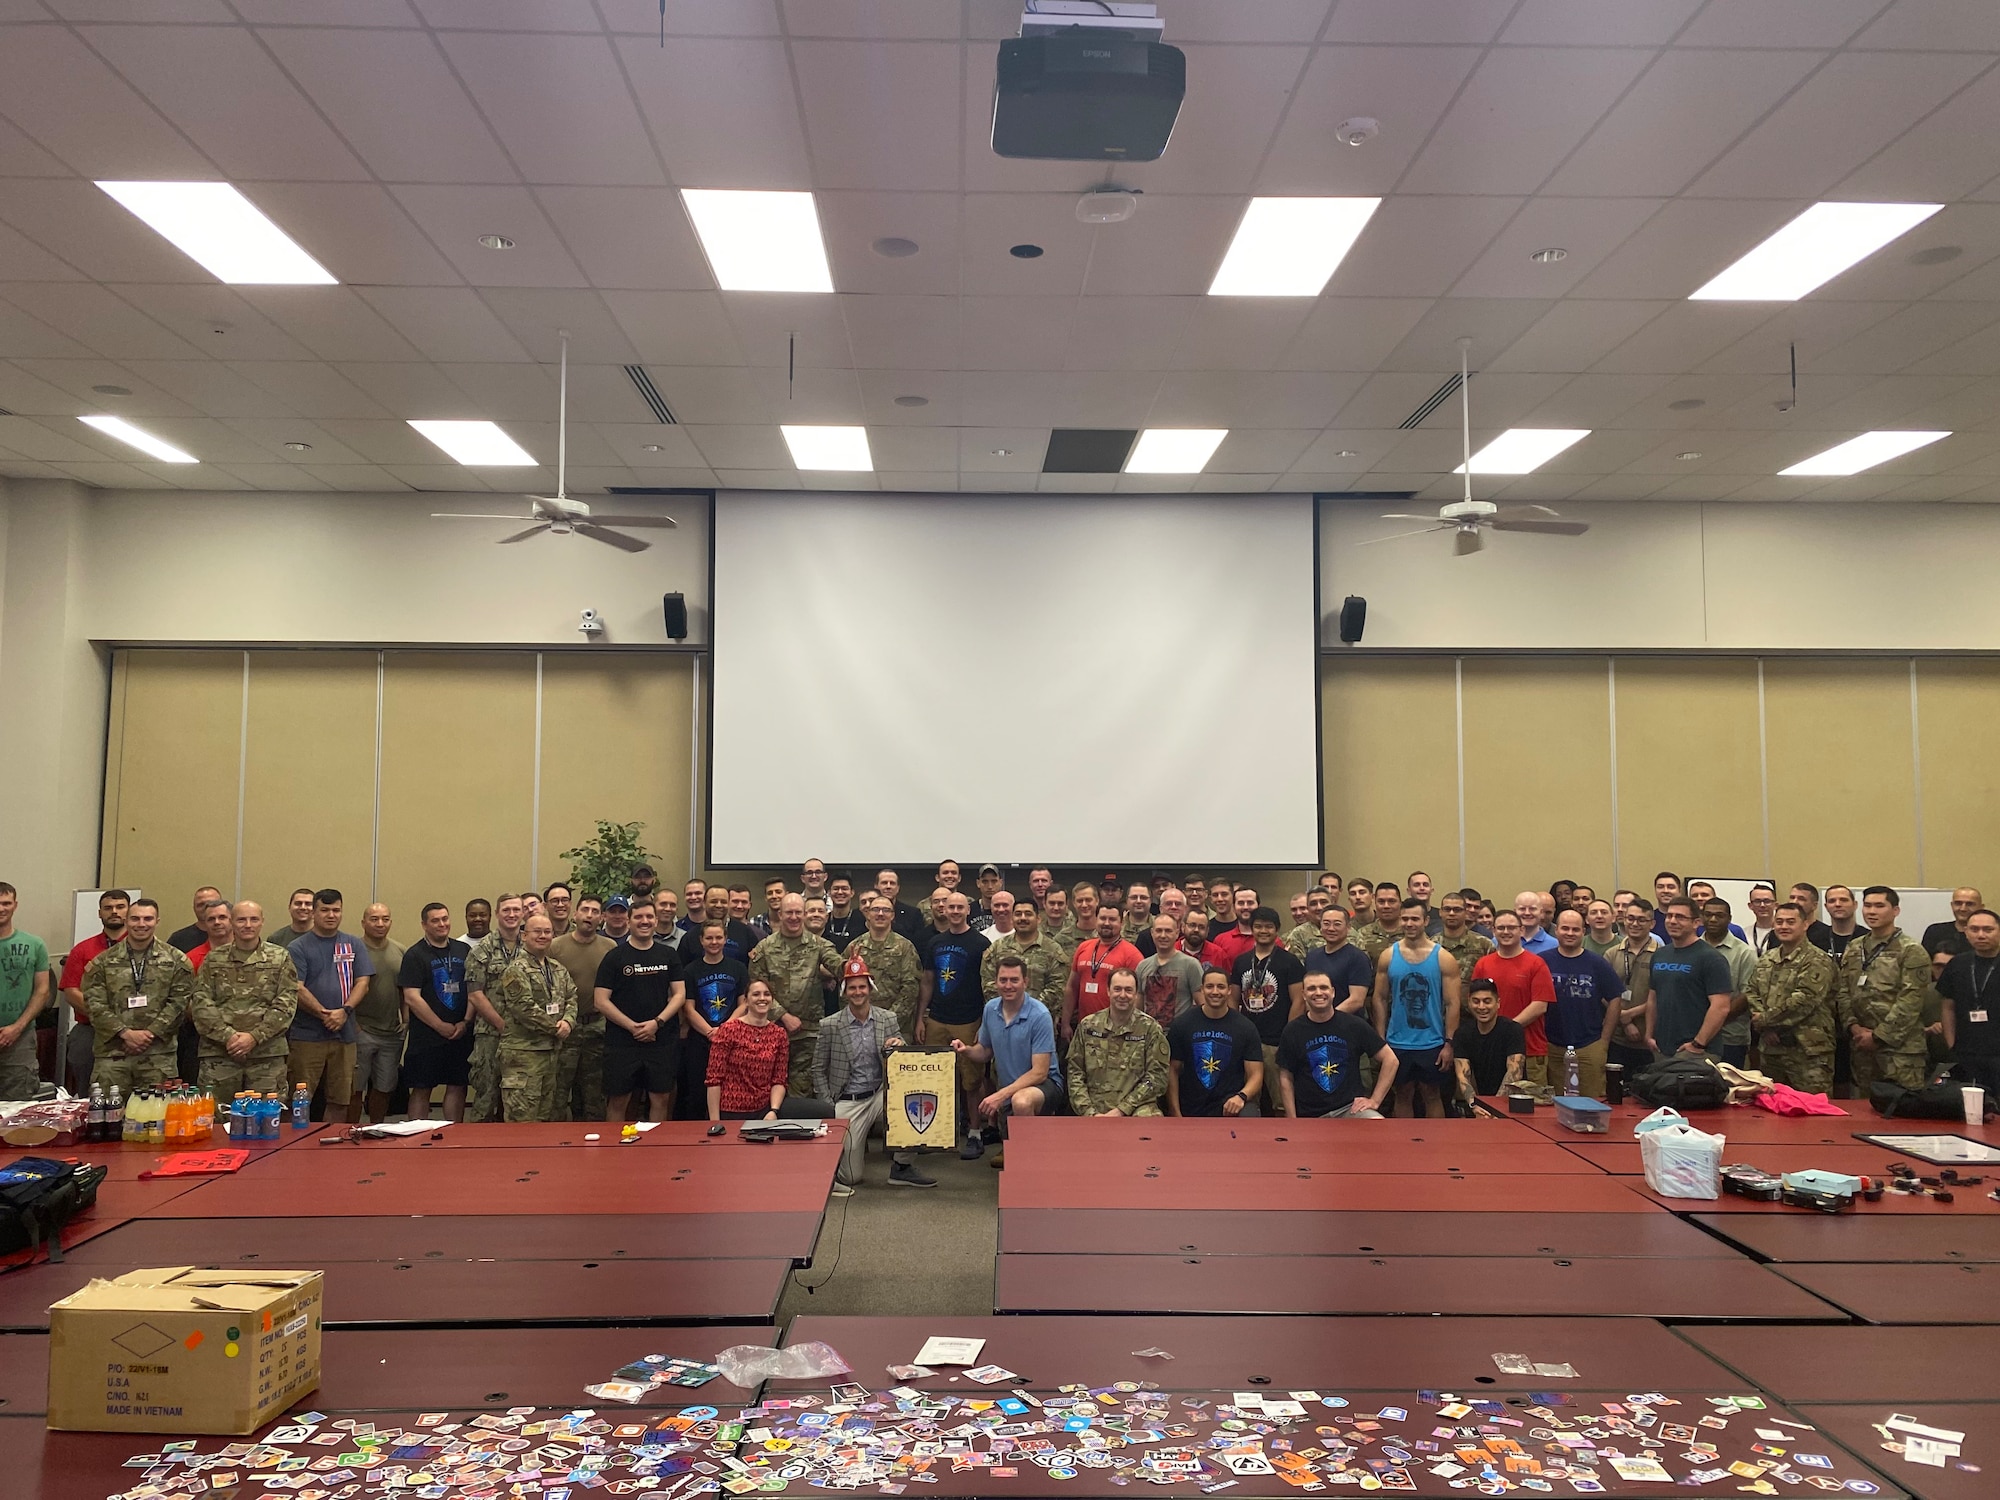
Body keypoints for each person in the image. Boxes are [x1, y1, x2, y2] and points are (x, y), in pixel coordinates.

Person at [813, 954, 927, 1193]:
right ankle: (833, 1167)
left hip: (879, 1094)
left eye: (862, 986)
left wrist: (899, 1046)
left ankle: (902, 1167)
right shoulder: (830, 1025)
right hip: (848, 1100)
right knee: (852, 1177)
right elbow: (818, 1068)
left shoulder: (887, 1018)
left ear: (870, 988)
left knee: (913, 1102)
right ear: (845, 991)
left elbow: (902, 1057)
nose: (858, 992)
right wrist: (828, 1105)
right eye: (852, 987)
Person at [954, 954, 1062, 1168]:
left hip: (1044, 1085)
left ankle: (1027, 1168)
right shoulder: (990, 1009)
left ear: (1025, 982)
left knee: (1021, 1101)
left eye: (1014, 980)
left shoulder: (1039, 1015)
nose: (1008, 985)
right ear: (996, 982)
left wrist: (1001, 1095)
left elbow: (1040, 1072)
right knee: (1016, 1102)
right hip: (1010, 1090)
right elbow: (984, 1051)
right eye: (1003, 980)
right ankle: (1020, 1154)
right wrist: (966, 1050)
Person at [81, 896, 194, 1096]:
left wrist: (148, 1035)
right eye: (135, 919)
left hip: (158, 1056)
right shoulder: (103, 962)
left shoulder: (176, 960)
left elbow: (179, 1003)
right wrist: (125, 1033)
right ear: (126, 920)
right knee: (108, 1118)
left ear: (157, 921)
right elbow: (94, 1003)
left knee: (158, 1119)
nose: (141, 924)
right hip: (112, 1056)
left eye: (148, 919)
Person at [191, 901, 300, 1100]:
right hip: (219, 1055)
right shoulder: (214, 959)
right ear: (232, 922)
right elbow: (201, 1002)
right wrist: (229, 1037)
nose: (248, 925)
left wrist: (254, 1037)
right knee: (215, 1119)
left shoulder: (280, 958)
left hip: (266, 1055)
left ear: (262, 923)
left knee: (265, 1120)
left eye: (253, 919)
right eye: (241, 919)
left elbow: (286, 1004)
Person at [596, 897, 687, 1122]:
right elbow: (600, 1000)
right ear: (629, 921)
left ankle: (655, 1150)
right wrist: (632, 1027)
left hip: (661, 1040)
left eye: (649, 917)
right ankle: (614, 1151)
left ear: (656, 921)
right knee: (619, 1101)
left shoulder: (668, 955)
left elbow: (680, 995)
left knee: (660, 1099)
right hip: (622, 1042)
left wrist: (657, 1023)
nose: (644, 921)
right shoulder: (614, 957)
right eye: (638, 917)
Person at [914, 891, 991, 1157]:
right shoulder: (935, 942)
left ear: (968, 910)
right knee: (935, 1080)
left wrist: (984, 1023)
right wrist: (921, 1017)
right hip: (937, 1019)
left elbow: (986, 985)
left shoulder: (981, 943)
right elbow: (928, 981)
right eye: (951, 907)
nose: (955, 911)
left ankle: (974, 1132)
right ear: (944, 910)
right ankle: (937, 1131)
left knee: (972, 1081)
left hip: (969, 1020)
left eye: (960, 907)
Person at [286, 889, 371, 1125]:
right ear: (314, 912)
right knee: (299, 1099)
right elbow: (297, 987)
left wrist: (344, 1012)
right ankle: (296, 1150)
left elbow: (363, 983)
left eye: (336, 910)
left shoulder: (353, 943)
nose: (331, 915)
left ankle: (331, 1147)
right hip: (307, 1036)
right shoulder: (298, 947)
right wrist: (325, 1014)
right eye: (324, 910)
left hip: (344, 1035)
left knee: (340, 1099)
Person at [1836, 885, 1931, 1093]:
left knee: (1903, 1114)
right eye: (1868, 905)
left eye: (1879, 906)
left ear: (1895, 911)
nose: (1872, 911)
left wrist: (1878, 1037)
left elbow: (1911, 1001)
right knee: (1863, 1114)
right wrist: (1854, 1028)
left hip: (1900, 1051)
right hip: (1861, 1047)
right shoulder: (1854, 947)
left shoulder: (1911, 951)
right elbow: (1842, 992)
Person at [1372, 897, 1460, 1117]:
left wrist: (1449, 1043)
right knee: (1402, 1094)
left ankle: (1435, 1148)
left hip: (1432, 1042)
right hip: (1397, 1042)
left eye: (1414, 919)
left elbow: (1452, 1003)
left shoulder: (1443, 958)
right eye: (1405, 919)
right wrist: (1380, 1039)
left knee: (1432, 1094)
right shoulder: (1388, 956)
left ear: (1426, 920)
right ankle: (1403, 1147)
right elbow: (1379, 998)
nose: (1409, 924)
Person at [750, 893, 842, 1098]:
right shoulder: (764, 948)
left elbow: (837, 964)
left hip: (807, 1034)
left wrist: (852, 966)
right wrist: (783, 1015)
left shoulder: (818, 945)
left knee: (801, 1092)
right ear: (780, 914)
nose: (793, 917)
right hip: (770, 1031)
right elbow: (756, 991)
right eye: (789, 912)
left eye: (798, 912)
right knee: (765, 1089)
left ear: (804, 914)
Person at [1746, 902, 1839, 1095]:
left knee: (1814, 1112)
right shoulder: (1767, 959)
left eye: (1790, 922)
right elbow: (1751, 991)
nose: (1783, 927)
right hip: (1771, 1050)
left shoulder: (1817, 960)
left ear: (1805, 925)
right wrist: (1767, 1026)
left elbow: (1804, 1000)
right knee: (1773, 1109)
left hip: (1808, 1052)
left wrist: (1764, 1020)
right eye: (1779, 922)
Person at [491, 912, 576, 1122]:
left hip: (551, 1054)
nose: (543, 936)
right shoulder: (516, 969)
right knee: (523, 1120)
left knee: (548, 1119)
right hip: (523, 1056)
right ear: (524, 935)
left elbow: (572, 996)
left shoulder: (557, 969)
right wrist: (555, 1028)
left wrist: (568, 1022)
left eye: (547, 932)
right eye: (537, 931)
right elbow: (524, 1008)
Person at [1278, 970, 1396, 1119]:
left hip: (1350, 1110)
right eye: (1311, 988)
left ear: (1332, 992)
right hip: (1310, 1115)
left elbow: (1391, 1060)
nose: (1318, 992)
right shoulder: (1292, 1030)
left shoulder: (1354, 1025)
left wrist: (1375, 1100)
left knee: (1377, 1122)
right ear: (1303, 994)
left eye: (1324, 987)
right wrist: (1292, 1119)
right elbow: (1285, 1078)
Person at [399, 902, 474, 1123]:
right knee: (422, 1087)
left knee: (457, 1085)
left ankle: (454, 1134)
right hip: (427, 1035)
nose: (442, 924)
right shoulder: (414, 955)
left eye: (445, 919)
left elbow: (474, 988)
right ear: (424, 925)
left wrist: (466, 1022)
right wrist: (440, 1026)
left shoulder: (463, 950)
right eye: (435, 920)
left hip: (460, 1032)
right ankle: (417, 1136)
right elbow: (411, 997)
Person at [1231, 906, 1307, 1115]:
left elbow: (1299, 1001)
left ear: (1277, 930)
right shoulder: (1241, 961)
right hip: (1247, 1040)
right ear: (1251, 929)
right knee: (1248, 1098)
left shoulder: (1289, 962)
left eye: (1268, 927)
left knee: (1280, 1099)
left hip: (1277, 1040)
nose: (1263, 931)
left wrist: (1287, 1036)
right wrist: (1236, 1030)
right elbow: (1233, 999)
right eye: (1258, 926)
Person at [1541, 909, 1624, 1097]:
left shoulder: (1597, 963)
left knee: (1593, 1100)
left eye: (1575, 929)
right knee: (1553, 1104)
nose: (1570, 933)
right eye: (1565, 928)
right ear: (1556, 931)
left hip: (1590, 1044)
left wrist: (1604, 1039)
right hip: (1551, 1044)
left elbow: (1615, 998)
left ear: (1583, 931)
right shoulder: (1542, 961)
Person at [1066, 969, 1169, 1118]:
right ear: (1108, 991)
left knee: (1149, 1119)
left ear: (1135, 993)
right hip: (1093, 1108)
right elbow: (1075, 1073)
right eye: (1117, 989)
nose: (1122, 995)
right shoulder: (1088, 1026)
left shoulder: (1150, 1028)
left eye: (1128, 990)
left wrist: (1122, 1110)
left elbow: (1157, 1078)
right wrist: (1089, 1113)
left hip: (1136, 1107)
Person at [549, 896, 615, 1122]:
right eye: (584, 910)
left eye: (595, 911)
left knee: (593, 1095)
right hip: (565, 1028)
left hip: (597, 1027)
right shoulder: (556, 946)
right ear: (575, 915)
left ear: (602, 918)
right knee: (558, 1091)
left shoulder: (609, 947)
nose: (589, 915)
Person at [1471, 912, 1556, 1085]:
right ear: (1493, 931)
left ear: (1522, 930)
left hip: (1529, 1050)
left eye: (1511, 927)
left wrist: (1505, 1031)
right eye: (1501, 928)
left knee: (1532, 1106)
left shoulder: (1536, 964)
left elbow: (1540, 1005)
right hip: (1490, 1050)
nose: (1506, 932)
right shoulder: (1483, 964)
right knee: (1492, 1104)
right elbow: (1475, 1001)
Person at [1167, 968, 1265, 1117]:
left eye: (1220, 987)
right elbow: (1172, 1070)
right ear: (1202, 989)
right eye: (1209, 986)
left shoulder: (1246, 1028)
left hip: (1230, 1108)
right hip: (1191, 1107)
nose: (1215, 992)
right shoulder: (1182, 1024)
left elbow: (1256, 1075)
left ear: (1229, 990)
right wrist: (1175, 1112)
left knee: (1250, 1114)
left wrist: (1241, 1096)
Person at [60, 888, 129, 1093]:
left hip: (132, 1034)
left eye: (120, 907)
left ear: (129, 911)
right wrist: (106, 1019)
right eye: (108, 908)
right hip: (90, 1031)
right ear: (100, 913)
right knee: (88, 1092)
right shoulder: (82, 950)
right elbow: (71, 990)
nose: (114, 911)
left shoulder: (145, 949)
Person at [464, 893, 525, 1123]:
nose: (511, 915)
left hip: (524, 1036)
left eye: (516, 910)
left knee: (518, 1098)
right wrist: (502, 1026)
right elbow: (475, 995)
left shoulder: (531, 945)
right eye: (506, 910)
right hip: (490, 1034)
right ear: (498, 914)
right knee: (486, 1096)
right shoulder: (482, 950)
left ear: (523, 914)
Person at [1648, 898, 1735, 1058]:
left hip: (1697, 1051)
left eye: (1680, 917)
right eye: (1669, 916)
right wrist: (1649, 1035)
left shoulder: (1711, 958)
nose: (1672, 921)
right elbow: (1653, 998)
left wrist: (1698, 1043)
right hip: (1661, 1049)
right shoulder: (1659, 955)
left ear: (1696, 923)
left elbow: (1721, 1007)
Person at [680, 918, 749, 1118]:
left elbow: (744, 1003)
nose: (714, 942)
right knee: (698, 1093)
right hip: (700, 1039)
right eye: (709, 938)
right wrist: (710, 1032)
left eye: (718, 937)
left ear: (725, 939)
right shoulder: (690, 970)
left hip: (732, 1038)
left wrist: (725, 1029)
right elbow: (688, 1007)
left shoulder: (738, 968)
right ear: (701, 940)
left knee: (730, 1090)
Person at [847, 893, 924, 1050]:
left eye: (886, 910)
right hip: (859, 1026)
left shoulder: (905, 947)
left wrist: (885, 1022)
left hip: (896, 1028)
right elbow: (845, 986)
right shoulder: (855, 947)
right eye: (875, 909)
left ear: (893, 915)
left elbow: (910, 990)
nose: (880, 914)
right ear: (868, 914)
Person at [350, 902, 404, 1125]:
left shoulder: (400, 950)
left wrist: (406, 1019)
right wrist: (353, 1024)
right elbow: (344, 988)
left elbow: (406, 989)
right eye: (374, 919)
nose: (380, 923)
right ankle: (350, 1129)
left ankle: (376, 1128)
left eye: (385, 918)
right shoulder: (353, 950)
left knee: (384, 1087)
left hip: (391, 1032)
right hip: (360, 1030)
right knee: (355, 1088)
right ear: (363, 923)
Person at [705, 979, 789, 1120]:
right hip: (728, 1112)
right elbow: (714, 1079)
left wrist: (773, 1111)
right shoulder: (728, 1030)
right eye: (756, 994)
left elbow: (779, 1079)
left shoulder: (779, 1034)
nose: (762, 998)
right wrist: (714, 1122)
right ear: (746, 1001)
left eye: (767, 994)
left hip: (764, 1112)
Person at [0, 882, 53, 1100]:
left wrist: (16, 1028)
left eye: (6, 903)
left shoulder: (34, 944)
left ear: (15, 905)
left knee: (18, 1109)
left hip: (20, 1038)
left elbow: (42, 991)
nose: (1, 908)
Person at [1938, 908, 2000, 1094]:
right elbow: (1948, 1007)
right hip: (1966, 1053)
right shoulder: (1957, 963)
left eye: (1988, 930)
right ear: (1966, 932)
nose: (1980, 935)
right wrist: (1951, 1045)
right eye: (1974, 929)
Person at [1064, 904, 1143, 1034]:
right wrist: (1066, 1024)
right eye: (1102, 918)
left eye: (1112, 919)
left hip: (1116, 1031)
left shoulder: (1132, 955)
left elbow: (1138, 996)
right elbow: (1072, 987)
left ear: (1121, 922)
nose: (1106, 923)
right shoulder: (1083, 947)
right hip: (1084, 1028)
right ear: (1096, 919)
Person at [981, 896, 1068, 1010]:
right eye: (1018, 914)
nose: (1022, 918)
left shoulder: (1053, 950)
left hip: (1039, 1019)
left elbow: (1057, 988)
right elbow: (988, 983)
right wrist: (1010, 1006)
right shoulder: (997, 948)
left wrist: (1029, 1009)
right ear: (1012, 918)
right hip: (1004, 1017)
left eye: (1028, 914)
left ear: (1038, 919)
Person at [1700, 897, 1757, 1066]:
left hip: (1730, 1038)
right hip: (1692, 1035)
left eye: (1719, 915)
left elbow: (1748, 995)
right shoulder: (1691, 949)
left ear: (1729, 919)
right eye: (1708, 914)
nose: (1713, 919)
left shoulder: (1744, 953)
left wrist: (1713, 1020)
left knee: (1730, 1088)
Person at [1605, 899, 1658, 1076]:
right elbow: (1603, 993)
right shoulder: (1612, 953)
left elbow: (1662, 995)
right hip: (1617, 1037)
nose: (1635, 924)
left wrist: (1631, 1014)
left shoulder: (1662, 954)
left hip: (1649, 1039)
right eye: (1630, 918)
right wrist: (1624, 1020)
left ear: (1652, 924)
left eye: (1642, 920)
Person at [1452, 977, 1526, 1101]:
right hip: (1482, 1103)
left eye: (1487, 1001)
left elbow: (1514, 1073)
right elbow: (1463, 1077)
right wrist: (1474, 1104)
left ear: (1498, 1003)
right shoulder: (1462, 1033)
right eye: (1476, 1001)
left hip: (1514, 1101)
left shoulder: (1513, 1030)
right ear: (1469, 1003)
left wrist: (1494, 1107)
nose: (1481, 1007)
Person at [1134, 913, 1202, 1026]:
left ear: (1177, 933)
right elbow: (1138, 1007)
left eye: (1168, 931)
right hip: (1149, 1035)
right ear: (1152, 933)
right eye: (1159, 930)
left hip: (1179, 1035)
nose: (1163, 935)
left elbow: (1202, 1004)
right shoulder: (1142, 966)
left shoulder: (1191, 965)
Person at [1303, 906, 1372, 1014]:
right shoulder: (1312, 956)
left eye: (1337, 924)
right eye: (1326, 923)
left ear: (1348, 927)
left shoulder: (1358, 958)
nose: (1331, 928)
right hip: (1316, 1023)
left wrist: (1329, 1018)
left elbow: (1357, 1000)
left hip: (1347, 1024)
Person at [1436, 893, 1495, 978]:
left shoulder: (1485, 945)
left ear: (1465, 912)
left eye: (1457, 909)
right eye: (1447, 909)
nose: (1452, 913)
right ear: (1440, 912)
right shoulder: (1431, 945)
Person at [1923, 887, 1985, 962]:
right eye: (1958, 903)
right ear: (1952, 905)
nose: (1963, 909)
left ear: (1981, 907)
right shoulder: (1934, 931)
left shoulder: (1985, 935)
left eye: (1969, 904)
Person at [1208, 886, 1261, 971]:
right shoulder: (1220, 940)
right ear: (1233, 906)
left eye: (1250, 903)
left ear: (1259, 906)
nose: (1245, 907)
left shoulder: (1273, 941)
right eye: (1240, 903)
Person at [1351, 883, 1402, 966]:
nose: (1386, 906)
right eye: (1381, 901)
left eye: (1392, 901)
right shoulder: (1363, 934)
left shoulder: (1411, 932)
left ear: (1400, 903)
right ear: (1375, 903)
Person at [874, 869, 925, 942]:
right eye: (884, 883)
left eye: (892, 883)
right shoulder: (865, 912)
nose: (888, 886)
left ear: (898, 888)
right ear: (876, 886)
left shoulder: (913, 914)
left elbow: (918, 943)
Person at [167, 887, 223, 954]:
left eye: (212, 903)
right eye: (201, 905)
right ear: (194, 908)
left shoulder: (235, 936)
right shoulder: (178, 939)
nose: (206, 908)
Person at [823, 874, 866, 951]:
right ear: (829, 893)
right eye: (836, 889)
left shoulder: (862, 920)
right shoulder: (823, 921)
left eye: (844, 888)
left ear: (852, 893)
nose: (840, 892)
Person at [1822, 885, 1865, 962]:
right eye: (1832, 901)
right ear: (1826, 907)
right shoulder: (1814, 939)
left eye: (1844, 900)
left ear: (1855, 905)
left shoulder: (1867, 938)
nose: (1838, 904)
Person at [1789, 883, 1836, 952]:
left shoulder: (1828, 934)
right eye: (1792, 897)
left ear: (1814, 905)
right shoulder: (1781, 932)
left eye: (1801, 899)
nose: (1795, 902)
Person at [918, 860, 964, 926]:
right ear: (937, 877)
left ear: (959, 878)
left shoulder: (968, 902)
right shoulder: (923, 905)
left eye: (954, 873)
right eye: (945, 873)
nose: (950, 876)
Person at [1515, 891, 1558, 956]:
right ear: (1514, 912)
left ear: (1540, 912)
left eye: (1532, 909)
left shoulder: (1555, 945)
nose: (1527, 913)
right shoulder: (1499, 941)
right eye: (1522, 909)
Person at [1744, 884, 1779, 955]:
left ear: (1775, 905)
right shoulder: (1743, 934)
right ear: (1750, 906)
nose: (1762, 905)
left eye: (1767, 901)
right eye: (1757, 901)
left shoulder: (1782, 932)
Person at [1650, 872, 1683, 941]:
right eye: (1660, 887)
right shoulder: (1649, 918)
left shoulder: (1687, 918)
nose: (1665, 891)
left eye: (1671, 887)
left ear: (1679, 891)